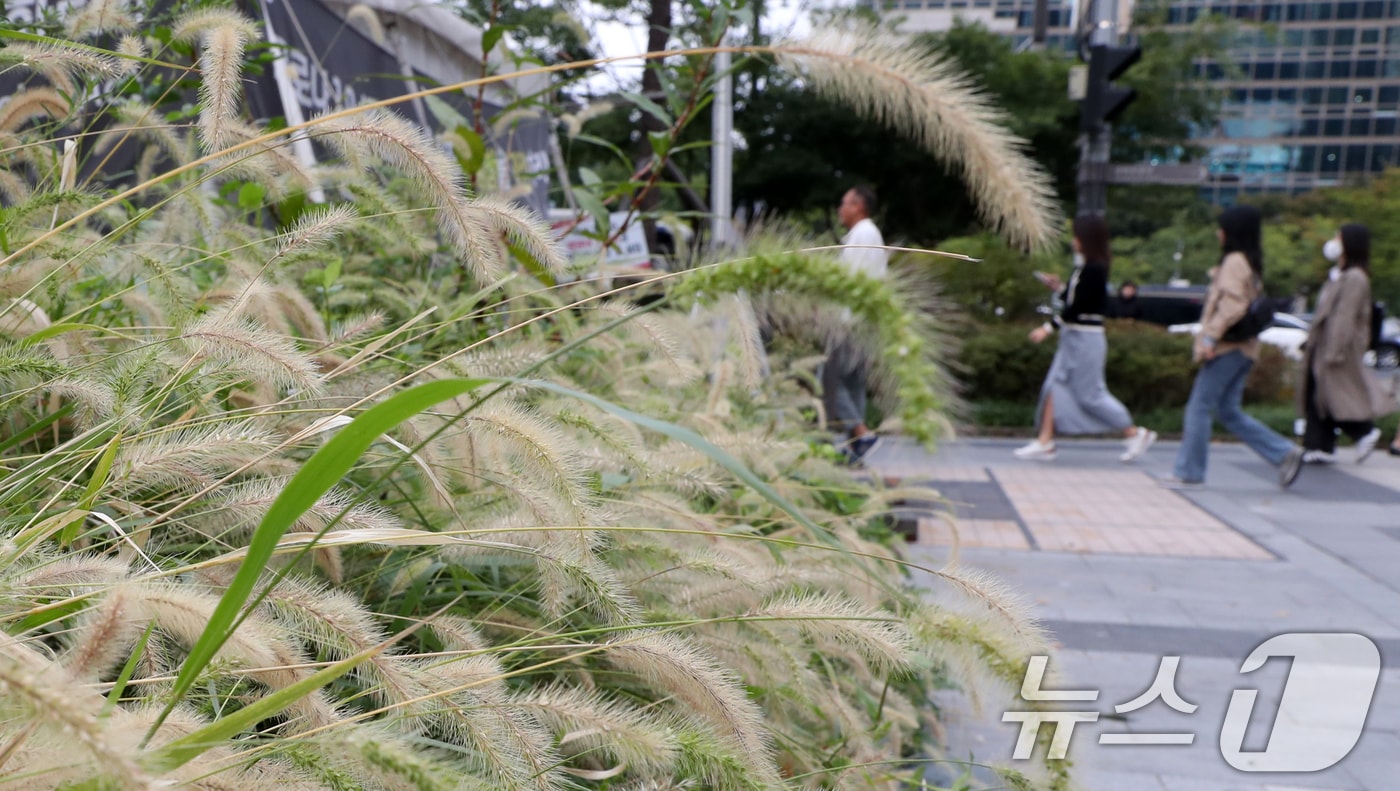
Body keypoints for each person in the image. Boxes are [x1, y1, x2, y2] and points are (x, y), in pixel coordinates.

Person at [1162, 206, 1304, 489]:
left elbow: (1232, 306)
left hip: (1227, 347)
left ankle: (1190, 471)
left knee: (1199, 407)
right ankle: (1283, 453)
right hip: (1244, 348)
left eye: (1221, 227)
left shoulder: (1234, 261)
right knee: (1228, 412)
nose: (1218, 233)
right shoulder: (1249, 262)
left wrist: (1210, 338)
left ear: (1232, 232)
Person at [1013, 215, 1157, 463]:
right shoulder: (1085, 268)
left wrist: (1048, 327)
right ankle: (1045, 441)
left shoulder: (1095, 269)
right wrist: (1058, 288)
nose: (1073, 241)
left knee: (1091, 394)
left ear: (1087, 240)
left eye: (1077, 236)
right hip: (1074, 337)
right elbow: (1075, 300)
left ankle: (1134, 432)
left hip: (1085, 338)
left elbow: (1080, 307)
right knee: (1054, 385)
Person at [1299, 225, 1387, 464]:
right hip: (1325, 345)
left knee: (1334, 394)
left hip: (1338, 349)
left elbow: (1344, 317)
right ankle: (1319, 445)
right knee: (1320, 393)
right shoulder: (1339, 275)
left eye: (1339, 237)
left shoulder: (1355, 278)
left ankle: (1363, 431)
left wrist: (1334, 351)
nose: (1334, 242)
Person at [824, 186, 887, 463]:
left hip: (850, 321)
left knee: (830, 380)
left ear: (858, 206)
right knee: (853, 384)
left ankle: (862, 434)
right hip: (864, 321)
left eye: (844, 203)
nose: (840, 209)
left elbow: (849, 281)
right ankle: (856, 448)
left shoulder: (863, 234)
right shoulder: (869, 234)